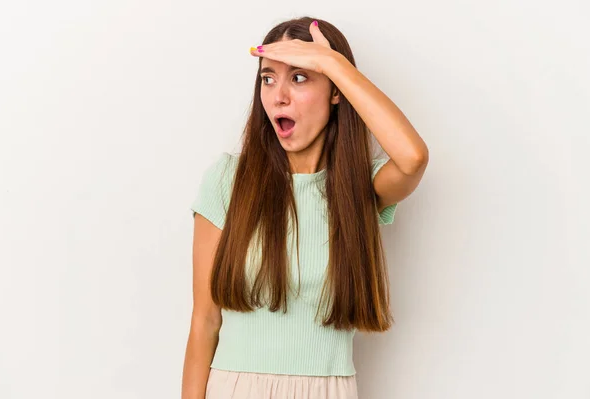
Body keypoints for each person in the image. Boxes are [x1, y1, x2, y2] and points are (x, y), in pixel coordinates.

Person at [182, 16, 429, 399]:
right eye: (268, 78)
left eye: (299, 77)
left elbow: (413, 158)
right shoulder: (227, 180)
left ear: (335, 92)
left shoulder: (359, 186)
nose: (278, 95)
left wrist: (333, 65)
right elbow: (204, 322)